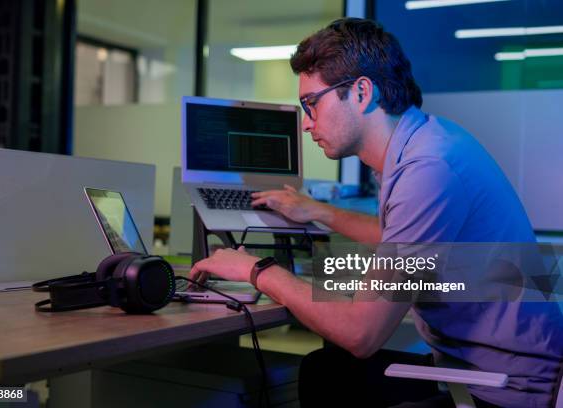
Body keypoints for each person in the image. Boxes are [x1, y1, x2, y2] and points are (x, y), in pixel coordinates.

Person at [190, 18, 563, 408]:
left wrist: (257, 270)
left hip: (501, 392)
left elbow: (361, 334)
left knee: (335, 367)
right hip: (481, 371)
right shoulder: (425, 142)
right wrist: (317, 211)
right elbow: (400, 239)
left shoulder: (428, 168)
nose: (306, 123)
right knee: (327, 369)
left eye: (311, 103)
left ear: (362, 92)